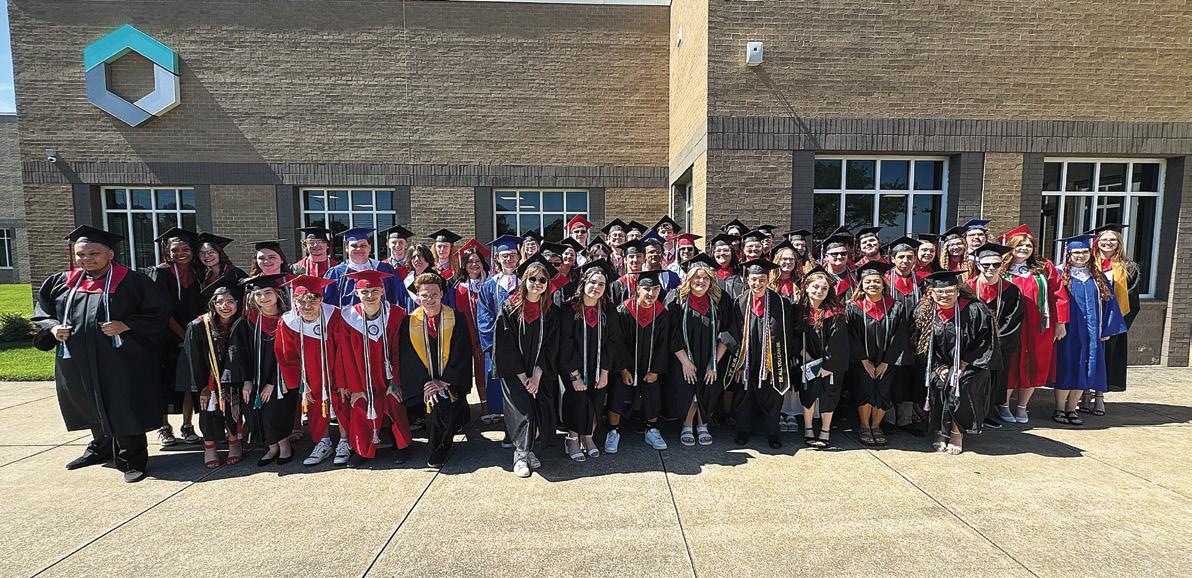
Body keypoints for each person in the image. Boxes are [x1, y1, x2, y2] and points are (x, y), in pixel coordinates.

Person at [33, 226, 170, 483]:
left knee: (123, 404)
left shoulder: (132, 281)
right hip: (77, 358)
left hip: (121, 359)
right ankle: (101, 447)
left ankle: (132, 458)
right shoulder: (61, 282)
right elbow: (43, 312)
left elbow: (158, 313)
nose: (86, 259)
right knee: (86, 401)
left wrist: (125, 325)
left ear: (110, 253)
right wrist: (53, 328)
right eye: (81, 254)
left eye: (94, 253)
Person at [335, 269, 413, 466]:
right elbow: (345, 355)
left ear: (382, 291)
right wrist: (355, 388)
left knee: (394, 402)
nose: (370, 295)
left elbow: (399, 351)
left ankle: (403, 446)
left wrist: (395, 382)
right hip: (361, 378)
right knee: (361, 405)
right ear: (356, 293)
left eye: (375, 291)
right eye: (365, 292)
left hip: (389, 375)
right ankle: (363, 450)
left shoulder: (396, 314)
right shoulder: (348, 317)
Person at [493, 254, 561, 477]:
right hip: (515, 373)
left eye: (542, 280)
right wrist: (524, 378)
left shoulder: (551, 311)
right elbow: (506, 346)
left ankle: (528, 448)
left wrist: (537, 376)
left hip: (540, 373)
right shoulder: (509, 307)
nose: (537, 284)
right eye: (532, 279)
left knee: (540, 413)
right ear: (524, 281)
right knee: (523, 413)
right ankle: (520, 455)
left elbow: (551, 346)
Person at [914, 270, 995, 455]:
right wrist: (938, 367)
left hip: (971, 364)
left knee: (962, 383)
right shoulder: (924, 312)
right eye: (940, 291)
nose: (945, 295)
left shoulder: (975, 310)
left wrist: (964, 362)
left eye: (950, 290)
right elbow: (919, 344)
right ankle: (940, 431)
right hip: (939, 365)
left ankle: (956, 432)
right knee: (938, 383)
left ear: (958, 291)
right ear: (931, 293)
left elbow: (985, 341)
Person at [398, 273, 474, 468]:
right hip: (422, 385)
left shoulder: (456, 318)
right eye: (424, 295)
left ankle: (438, 448)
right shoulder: (409, 322)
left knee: (441, 404)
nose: (430, 299)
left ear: (441, 294)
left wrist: (443, 382)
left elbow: (462, 352)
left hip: (451, 383)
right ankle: (437, 446)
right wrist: (428, 384)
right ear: (418, 296)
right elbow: (409, 359)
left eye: (434, 294)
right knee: (434, 402)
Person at [275, 275, 352, 467]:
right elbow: (286, 355)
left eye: (312, 300)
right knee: (315, 406)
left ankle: (345, 441)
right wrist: (301, 384)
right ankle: (323, 443)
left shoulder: (335, 316)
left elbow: (344, 349)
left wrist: (343, 379)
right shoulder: (288, 321)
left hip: (336, 368)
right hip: (309, 374)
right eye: (301, 302)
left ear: (321, 299)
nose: (307, 306)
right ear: (295, 301)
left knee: (342, 402)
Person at [1051, 235, 1127, 425]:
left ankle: (1072, 409)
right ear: (1068, 254)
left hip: (1091, 332)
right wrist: (1058, 326)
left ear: (1090, 253)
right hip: (1068, 332)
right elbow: (1053, 302)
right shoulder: (1059, 274)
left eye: (1084, 252)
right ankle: (1059, 409)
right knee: (1067, 367)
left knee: (1084, 368)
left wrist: (1107, 328)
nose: (1080, 255)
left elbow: (1110, 304)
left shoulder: (1097, 276)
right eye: (1076, 252)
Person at [725, 258, 798, 449]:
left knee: (772, 397)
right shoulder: (740, 302)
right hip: (747, 360)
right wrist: (739, 364)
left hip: (771, 360)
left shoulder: (781, 303)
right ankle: (742, 430)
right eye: (753, 279)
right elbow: (734, 333)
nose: (757, 283)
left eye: (761, 279)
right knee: (743, 395)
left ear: (768, 279)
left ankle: (773, 433)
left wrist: (779, 363)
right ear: (747, 279)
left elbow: (788, 334)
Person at [999, 224, 1068, 424]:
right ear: (1011, 247)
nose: (1024, 248)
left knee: (1034, 365)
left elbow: (1058, 294)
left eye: (1028, 245)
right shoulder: (1000, 269)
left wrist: (1060, 323)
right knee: (1010, 364)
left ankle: (1022, 407)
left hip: (1039, 326)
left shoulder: (1043, 268)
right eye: (1019, 245)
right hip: (1011, 326)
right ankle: (1004, 405)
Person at [226, 273, 296, 466]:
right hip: (254, 378)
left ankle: (284, 446)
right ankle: (272, 447)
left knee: (275, 410)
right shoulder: (247, 322)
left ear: (277, 294)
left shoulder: (288, 320)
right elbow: (240, 354)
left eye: (267, 292)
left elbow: (290, 355)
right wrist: (247, 381)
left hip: (280, 379)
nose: (263, 297)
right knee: (256, 410)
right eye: (258, 294)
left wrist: (272, 383)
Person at [146, 227, 204, 448]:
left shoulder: (198, 273)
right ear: (167, 252)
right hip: (167, 337)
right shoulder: (160, 274)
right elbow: (162, 310)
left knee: (188, 381)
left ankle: (187, 426)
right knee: (165, 381)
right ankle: (164, 427)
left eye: (185, 249)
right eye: (175, 250)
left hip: (193, 334)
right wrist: (183, 334)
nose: (180, 253)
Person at [667, 255, 733, 447]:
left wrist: (714, 362)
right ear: (689, 278)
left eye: (706, 278)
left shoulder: (720, 299)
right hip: (682, 356)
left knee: (709, 388)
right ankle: (687, 425)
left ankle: (703, 425)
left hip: (712, 355)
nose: (701, 281)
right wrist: (685, 362)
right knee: (688, 389)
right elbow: (671, 333)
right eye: (697, 277)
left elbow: (728, 332)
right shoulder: (677, 298)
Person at [558, 259, 621, 461]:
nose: (596, 287)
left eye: (601, 284)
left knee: (595, 402)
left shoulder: (608, 310)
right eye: (593, 282)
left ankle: (588, 436)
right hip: (574, 368)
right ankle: (572, 438)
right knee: (577, 401)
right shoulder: (569, 309)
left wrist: (605, 372)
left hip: (599, 367)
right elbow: (565, 342)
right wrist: (574, 375)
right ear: (584, 282)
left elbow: (613, 342)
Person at [608, 269, 672, 453]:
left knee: (653, 394)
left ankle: (651, 429)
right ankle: (613, 431)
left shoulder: (662, 313)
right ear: (638, 289)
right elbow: (617, 342)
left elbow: (663, 344)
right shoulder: (623, 311)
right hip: (627, 366)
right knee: (618, 394)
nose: (651, 293)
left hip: (650, 365)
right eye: (646, 289)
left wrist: (656, 370)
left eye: (655, 289)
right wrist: (623, 369)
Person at [179, 286, 244, 468]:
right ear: (212, 304)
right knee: (208, 409)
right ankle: (209, 446)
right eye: (220, 302)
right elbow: (194, 360)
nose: (225, 306)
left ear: (237, 303)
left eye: (230, 301)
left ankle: (234, 442)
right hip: (208, 379)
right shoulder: (199, 325)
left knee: (233, 407)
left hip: (233, 377)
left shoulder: (240, 323)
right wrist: (203, 387)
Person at [845, 261, 908, 447]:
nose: (872, 284)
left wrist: (886, 362)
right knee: (864, 390)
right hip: (861, 361)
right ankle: (864, 426)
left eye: (876, 281)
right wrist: (864, 361)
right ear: (861, 285)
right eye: (868, 281)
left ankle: (876, 426)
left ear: (883, 284)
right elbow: (851, 336)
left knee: (883, 391)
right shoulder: (853, 307)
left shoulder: (896, 306)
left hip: (887, 360)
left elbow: (899, 336)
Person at [967, 243, 1023, 428]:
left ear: (1002, 265)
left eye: (996, 264)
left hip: (999, 345)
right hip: (972, 345)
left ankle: (987, 413)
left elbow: (1013, 320)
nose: (991, 268)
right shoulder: (967, 288)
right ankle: (971, 413)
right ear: (978, 265)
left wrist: (996, 343)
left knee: (994, 380)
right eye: (986, 264)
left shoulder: (1011, 290)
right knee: (972, 379)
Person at [1087, 223, 1139, 414]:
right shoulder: (1087, 264)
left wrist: (1116, 325)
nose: (1108, 243)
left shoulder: (1128, 267)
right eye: (1104, 239)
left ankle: (1099, 397)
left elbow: (1132, 300)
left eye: (1112, 240)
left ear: (1119, 243)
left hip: (1113, 322)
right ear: (1097, 242)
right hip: (1090, 319)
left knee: (1106, 359)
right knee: (1087, 358)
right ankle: (1085, 394)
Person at [796, 266, 850, 448]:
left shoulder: (835, 313)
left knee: (829, 395)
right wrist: (805, 356)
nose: (819, 291)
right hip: (806, 362)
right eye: (815, 287)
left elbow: (838, 342)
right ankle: (808, 428)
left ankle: (825, 430)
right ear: (806, 287)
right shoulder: (798, 311)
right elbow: (793, 337)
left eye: (824, 288)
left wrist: (827, 366)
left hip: (830, 365)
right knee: (808, 394)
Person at [477, 235, 522, 432]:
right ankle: (504, 423)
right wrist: (495, 341)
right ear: (497, 258)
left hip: (521, 343)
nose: (509, 259)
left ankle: (520, 424)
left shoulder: (525, 282)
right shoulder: (489, 285)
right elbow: (484, 317)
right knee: (498, 383)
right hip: (497, 344)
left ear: (518, 257)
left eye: (512, 255)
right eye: (505, 256)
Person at [884, 236, 927, 434]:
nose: (905, 261)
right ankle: (888, 418)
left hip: (914, 339)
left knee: (911, 378)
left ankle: (906, 419)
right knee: (891, 378)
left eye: (910, 257)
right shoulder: (885, 280)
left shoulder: (922, 282)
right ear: (893, 259)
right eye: (901, 257)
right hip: (891, 338)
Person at [452, 240, 492, 421]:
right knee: (465, 372)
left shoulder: (491, 284)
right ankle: (466, 408)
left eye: (477, 261)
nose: (474, 264)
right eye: (470, 262)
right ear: (464, 265)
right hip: (465, 337)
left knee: (484, 370)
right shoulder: (459, 287)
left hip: (486, 336)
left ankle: (487, 407)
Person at [323, 227, 403, 308]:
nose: (359, 249)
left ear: (369, 247)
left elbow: (398, 297)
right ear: (347, 248)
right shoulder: (336, 273)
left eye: (363, 245)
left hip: (382, 315)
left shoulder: (385, 269)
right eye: (354, 246)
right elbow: (328, 305)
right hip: (345, 315)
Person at [196, 232, 248, 300]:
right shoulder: (204, 277)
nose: (206, 256)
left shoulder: (236, 274)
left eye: (211, 252)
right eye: (202, 253)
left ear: (220, 253)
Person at [710, 233, 746, 300]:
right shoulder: (709, 275)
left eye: (726, 250)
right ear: (713, 254)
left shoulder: (741, 274)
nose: (722, 253)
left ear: (732, 253)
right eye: (718, 251)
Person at [402, 244, 436, 309]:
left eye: (420, 256)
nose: (417, 259)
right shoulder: (408, 280)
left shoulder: (438, 280)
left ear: (427, 257)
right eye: (413, 257)